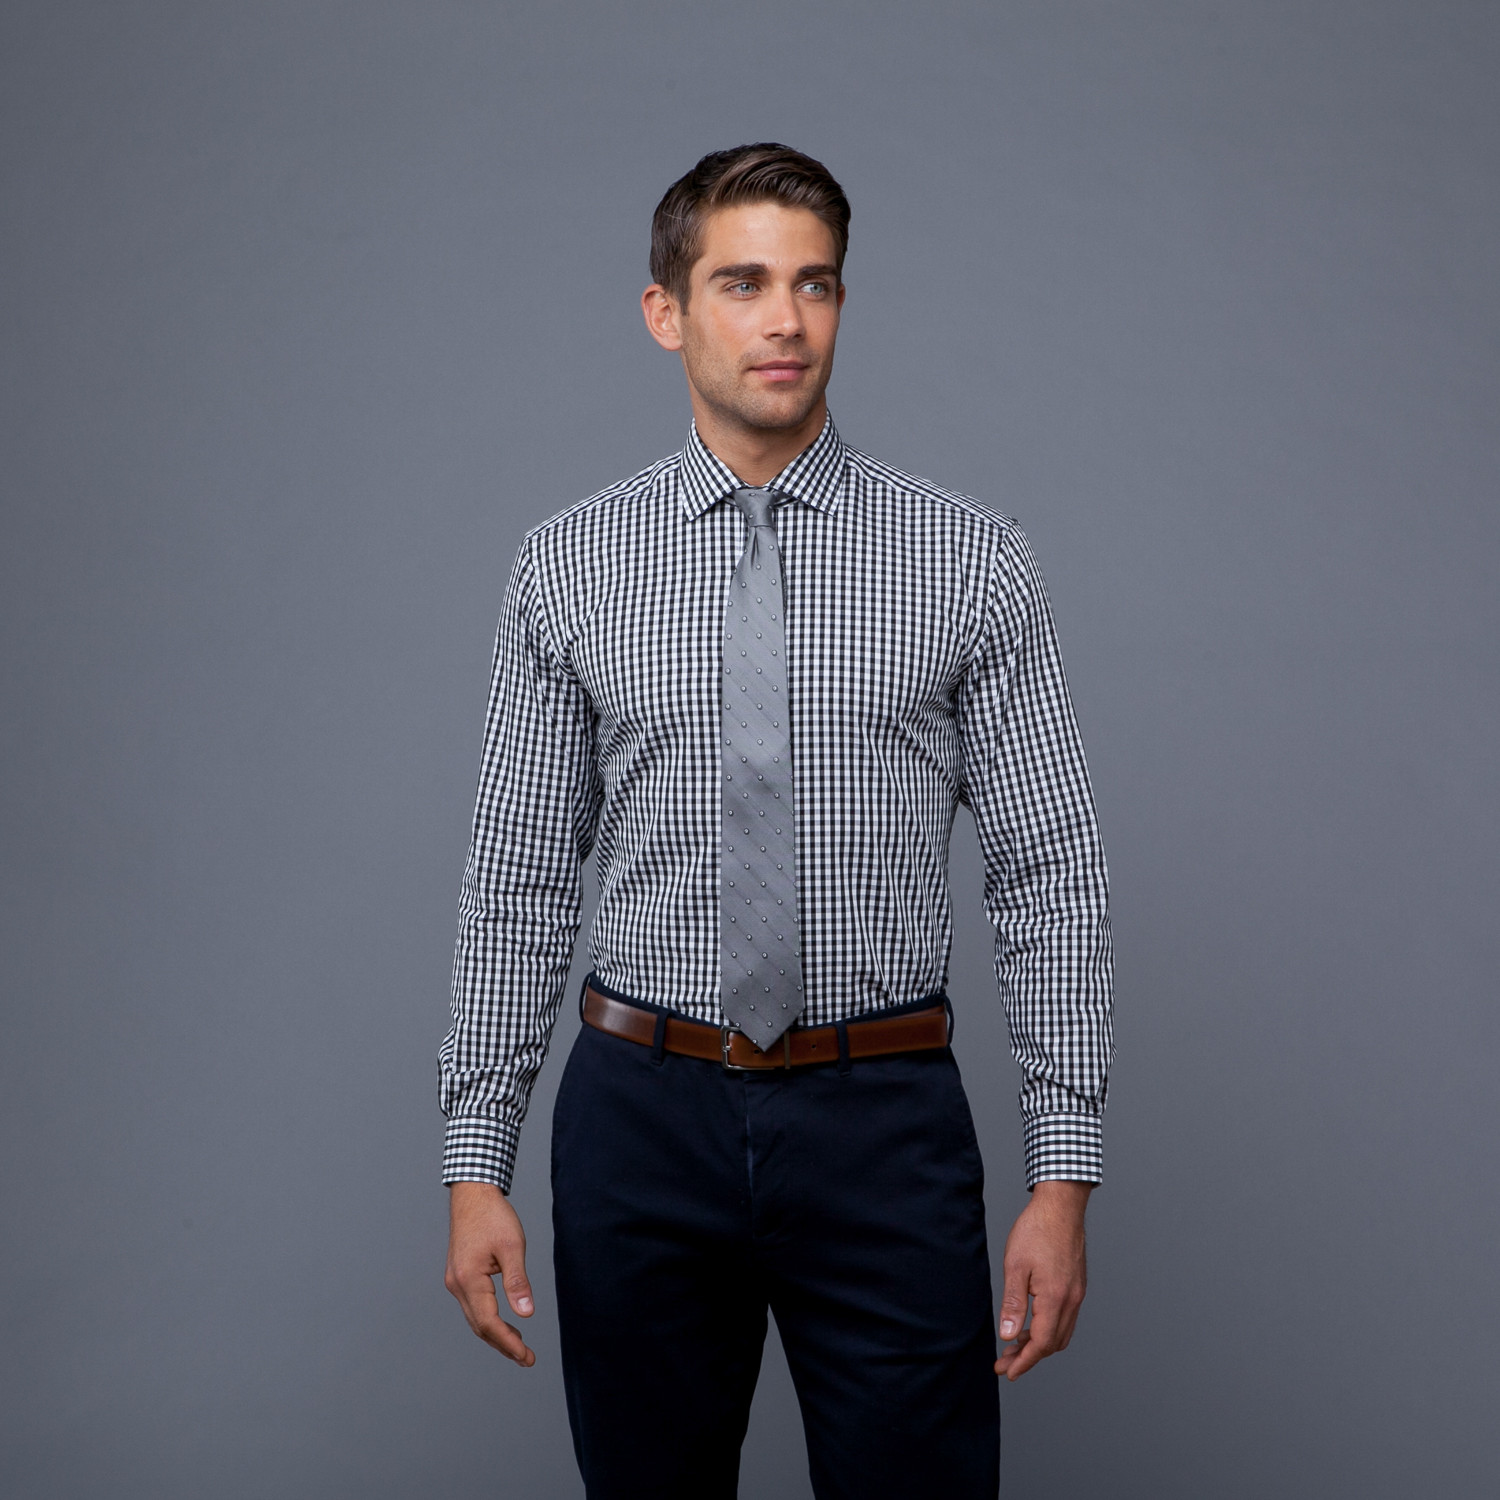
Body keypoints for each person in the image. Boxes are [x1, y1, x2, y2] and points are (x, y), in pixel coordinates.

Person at [439, 143, 1113, 1499]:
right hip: (642, 1121)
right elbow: (519, 879)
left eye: (815, 284)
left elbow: (1050, 874)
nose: (785, 320)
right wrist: (475, 1160)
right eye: (742, 283)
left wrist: (1063, 1178)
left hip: (883, 1124)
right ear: (667, 311)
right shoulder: (567, 565)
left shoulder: (968, 559)